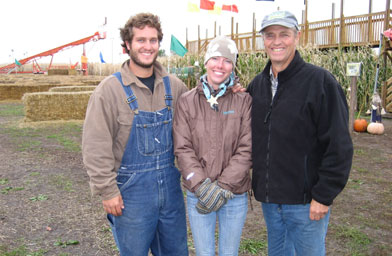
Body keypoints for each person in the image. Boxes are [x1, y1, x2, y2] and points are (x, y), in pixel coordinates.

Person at [247, 10, 353, 256]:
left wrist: (323, 196)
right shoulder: (257, 86)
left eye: (284, 34)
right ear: (263, 40)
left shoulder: (320, 83)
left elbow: (339, 146)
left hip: (306, 204)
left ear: (297, 37)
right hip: (271, 202)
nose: (276, 41)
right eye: (270, 35)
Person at [82, 13, 188, 256]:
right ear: (128, 45)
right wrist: (107, 190)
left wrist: (229, 90)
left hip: (170, 192)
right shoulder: (109, 90)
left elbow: (201, 114)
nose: (147, 46)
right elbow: (95, 145)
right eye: (141, 40)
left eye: (153, 40)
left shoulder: (175, 86)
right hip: (130, 194)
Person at [173, 36, 252, 256]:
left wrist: (224, 186)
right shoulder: (187, 101)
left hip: (234, 194)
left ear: (233, 66)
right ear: (206, 61)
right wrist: (201, 186)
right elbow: (183, 147)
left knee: (229, 252)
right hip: (199, 193)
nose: (220, 65)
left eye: (227, 60)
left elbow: (247, 148)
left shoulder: (244, 101)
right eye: (215, 58)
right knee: (203, 252)